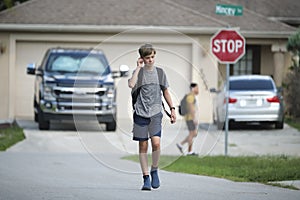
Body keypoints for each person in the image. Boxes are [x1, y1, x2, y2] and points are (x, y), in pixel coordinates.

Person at [128, 44, 176, 190]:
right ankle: (146, 177)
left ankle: (154, 169)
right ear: (142, 58)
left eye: (153, 57)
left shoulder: (160, 73)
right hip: (141, 114)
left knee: (156, 144)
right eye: (147, 58)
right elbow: (131, 84)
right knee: (143, 146)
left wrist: (172, 109)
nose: (151, 60)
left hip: (155, 114)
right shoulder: (139, 73)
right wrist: (137, 67)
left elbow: (166, 92)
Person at [176, 83, 199, 155]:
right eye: (197, 88)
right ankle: (186, 149)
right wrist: (194, 118)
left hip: (189, 118)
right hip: (190, 118)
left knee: (193, 134)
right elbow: (191, 108)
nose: (198, 90)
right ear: (193, 88)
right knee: (193, 133)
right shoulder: (190, 97)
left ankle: (184, 146)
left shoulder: (190, 96)